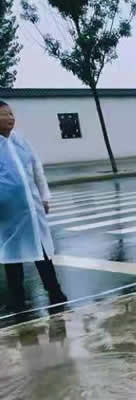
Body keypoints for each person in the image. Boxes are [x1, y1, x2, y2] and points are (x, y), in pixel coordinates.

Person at [0, 101, 67, 311]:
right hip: (8, 215)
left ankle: (55, 291)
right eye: (4, 115)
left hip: (31, 210)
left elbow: (37, 168)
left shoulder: (21, 141)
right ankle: (17, 299)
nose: (10, 118)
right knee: (12, 256)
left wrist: (45, 196)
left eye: (11, 114)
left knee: (42, 251)